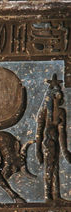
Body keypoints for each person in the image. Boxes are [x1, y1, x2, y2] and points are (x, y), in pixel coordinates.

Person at [35, 73, 71, 202]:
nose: (58, 99)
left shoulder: (61, 112)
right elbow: (39, 131)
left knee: (55, 167)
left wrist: (65, 150)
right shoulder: (44, 112)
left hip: (55, 140)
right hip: (47, 141)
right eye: (56, 96)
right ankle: (47, 195)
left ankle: (56, 195)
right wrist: (37, 149)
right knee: (49, 167)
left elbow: (62, 132)